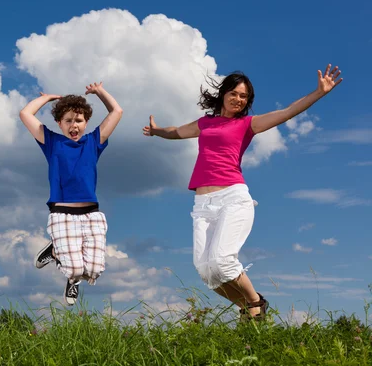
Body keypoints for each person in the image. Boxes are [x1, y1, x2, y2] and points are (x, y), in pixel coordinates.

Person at [143, 64, 343, 320]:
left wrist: (318, 93)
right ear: (224, 93)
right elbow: (177, 132)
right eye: (235, 93)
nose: (238, 99)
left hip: (232, 197)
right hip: (203, 203)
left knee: (222, 262)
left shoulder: (248, 124)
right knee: (207, 272)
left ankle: (255, 302)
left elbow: (287, 112)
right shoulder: (205, 123)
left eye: (244, 96)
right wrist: (156, 131)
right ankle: (250, 308)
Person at [20, 82, 123, 305]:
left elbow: (117, 112)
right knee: (75, 269)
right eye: (68, 121)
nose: (73, 125)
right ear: (59, 123)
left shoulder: (94, 141)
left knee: (94, 269)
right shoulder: (52, 142)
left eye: (78, 120)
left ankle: (60, 256)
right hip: (62, 213)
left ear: (86, 122)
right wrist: (46, 98)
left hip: (90, 213)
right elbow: (25, 113)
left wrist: (99, 92)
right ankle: (57, 253)